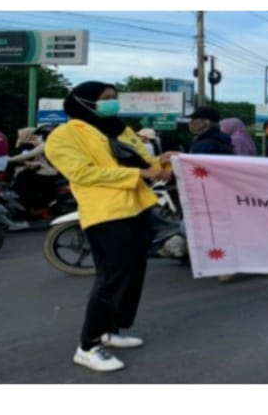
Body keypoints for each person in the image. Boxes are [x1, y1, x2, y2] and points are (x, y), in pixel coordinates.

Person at [43, 82, 172, 373]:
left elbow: (146, 161)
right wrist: (140, 171)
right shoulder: (63, 135)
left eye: (114, 98)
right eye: (105, 99)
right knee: (112, 277)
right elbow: (82, 173)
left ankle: (112, 330)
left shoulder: (119, 130)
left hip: (138, 207)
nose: (112, 103)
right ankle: (88, 346)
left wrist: (163, 162)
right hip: (106, 212)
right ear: (84, 102)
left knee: (134, 272)